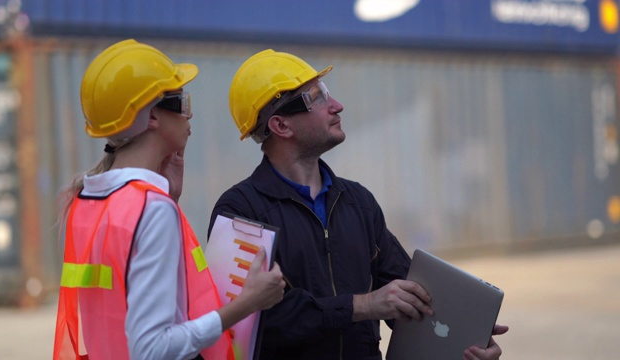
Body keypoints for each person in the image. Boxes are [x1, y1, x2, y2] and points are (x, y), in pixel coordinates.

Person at [209, 49, 509, 360]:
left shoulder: (357, 202)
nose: (336, 105)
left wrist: (467, 337)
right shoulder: (239, 212)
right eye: (316, 97)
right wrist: (362, 306)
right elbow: (252, 321)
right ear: (281, 126)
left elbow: (407, 296)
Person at [52, 39, 285, 360]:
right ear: (151, 117)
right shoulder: (150, 208)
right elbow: (152, 349)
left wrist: (170, 198)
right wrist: (248, 303)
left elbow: (120, 306)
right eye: (181, 102)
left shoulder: (87, 199)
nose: (189, 117)